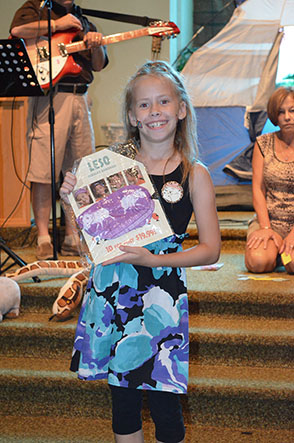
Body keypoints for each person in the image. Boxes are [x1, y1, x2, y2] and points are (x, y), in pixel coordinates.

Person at [60, 60, 221, 443]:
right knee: (123, 399)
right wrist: (73, 202)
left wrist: (154, 260)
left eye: (163, 102)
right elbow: (90, 244)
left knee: (166, 401)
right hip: (113, 291)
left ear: (181, 109)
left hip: (161, 294)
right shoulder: (108, 169)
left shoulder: (194, 174)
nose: (155, 112)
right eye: (144, 105)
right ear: (132, 115)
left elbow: (212, 250)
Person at [10, 0, 108, 259]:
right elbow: (17, 32)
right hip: (49, 97)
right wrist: (56, 25)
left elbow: (98, 65)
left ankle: (73, 235)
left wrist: (96, 46)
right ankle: (43, 236)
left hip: (80, 97)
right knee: (43, 170)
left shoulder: (84, 21)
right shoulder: (37, 7)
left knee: (80, 170)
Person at [245, 86, 294, 274]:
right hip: (269, 220)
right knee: (259, 262)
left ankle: (283, 254)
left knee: (293, 264)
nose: (287, 117)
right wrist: (265, 227)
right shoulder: (263, 143)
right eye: (281, 112)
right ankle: (274, 251)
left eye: (292, 110)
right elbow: (258, 189)